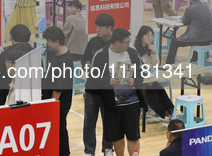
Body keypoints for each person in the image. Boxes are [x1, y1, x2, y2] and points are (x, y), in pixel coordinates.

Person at [92, 28, 146, 156]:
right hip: (112, 104)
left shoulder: (132, 53)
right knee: (117, 136)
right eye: (126, 42)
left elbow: (141, 74)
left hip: (132, 102)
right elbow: (93, 79)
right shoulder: (101, 55)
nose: (129, 45)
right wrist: (108, 81)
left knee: (133, 136)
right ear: (117, 42)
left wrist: (135, 80)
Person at [81, 13, 115, 156]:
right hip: (92, 89)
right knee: (89, 123)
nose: (97, 29)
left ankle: (108, 148)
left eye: (100, 27)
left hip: (109, 90)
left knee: (108, 121)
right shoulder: (93, 42)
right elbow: (84, 60)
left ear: (109, 28)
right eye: (97, 26)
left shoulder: (116, 44)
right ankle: (89, 151)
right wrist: (86, 64)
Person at [42, 26, 73, 156]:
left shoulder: (64, 61)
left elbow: (58, 89)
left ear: (57, 41)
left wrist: (51, 106)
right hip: (56, 103)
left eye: (49, 41)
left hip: (59, 104)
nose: (47, 44)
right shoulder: (59, 55)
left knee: (60, 131)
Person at [133, 26, 174, 118]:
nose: (150, 38)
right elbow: (134, 66)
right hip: (138, 80)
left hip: (149, 78)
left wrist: (153, 52)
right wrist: (144, 66)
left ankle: (172, 111)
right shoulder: (134, 49)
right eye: (148, 36)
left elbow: (156, 63)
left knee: (161, 91)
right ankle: (166, 113)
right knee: (152, 95)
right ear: (141, 37)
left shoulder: (149, 48)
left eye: (152, 36)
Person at [166, 0, 212, 64]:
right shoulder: (206, 7)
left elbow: (184, 22)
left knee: (174, 42)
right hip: (208, 39)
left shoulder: (189, 9)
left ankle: (169, 63)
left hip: (197, 38)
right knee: (198, 34)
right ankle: (194, 60)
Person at [0, 25, 34, 105]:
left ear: (12, 37)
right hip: (31, 95)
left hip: (5, 94)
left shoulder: (7, 53)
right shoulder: (34, 53)